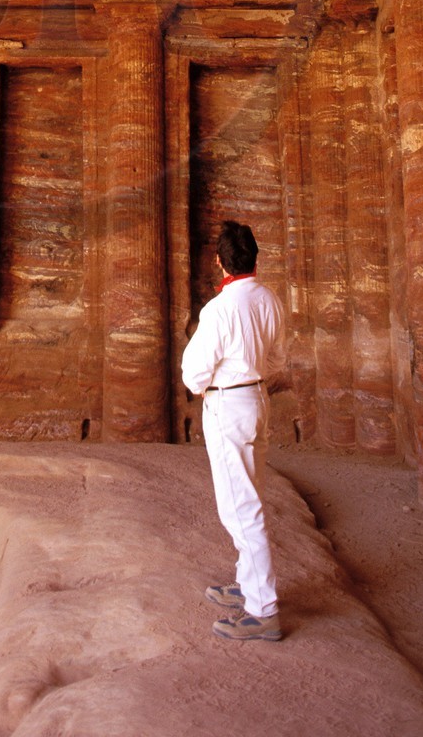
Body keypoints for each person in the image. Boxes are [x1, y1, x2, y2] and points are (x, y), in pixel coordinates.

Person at [181, 218, 287, 642]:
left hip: (229, 405)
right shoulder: (270, 300)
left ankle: (263, 610)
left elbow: (193, 374)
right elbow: (277, 360)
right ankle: (247, 582)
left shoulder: (220, 309)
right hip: (257, 398)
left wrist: (213, 383)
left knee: (240, 507)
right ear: (254, 259)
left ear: (220, 261)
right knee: (250, 493)